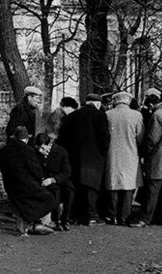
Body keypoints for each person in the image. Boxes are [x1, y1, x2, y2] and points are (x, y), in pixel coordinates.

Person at [57, 93, 109, 226]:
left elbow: (62, 137)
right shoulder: (100, 116)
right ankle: (91, 216)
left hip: (74, 157)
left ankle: (73, 216)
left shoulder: (72, 116)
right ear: (97, 104)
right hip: (94, 158)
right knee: (91, 187)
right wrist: (104, 153)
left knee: (75, 186)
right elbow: (104, 137)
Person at [0, 126, 57, 235]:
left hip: (10, 187)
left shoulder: (3, 150)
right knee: (50, 197)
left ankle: (34, 222)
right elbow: (37, 172)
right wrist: (40, 180)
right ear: (26, 139)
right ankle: (33, 222)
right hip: (25, 188)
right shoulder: (28, 150)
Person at [104, 91, 144, 226]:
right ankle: (125, 216)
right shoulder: (137, 115)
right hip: (130, 153)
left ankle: (112, 214)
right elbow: (140, 137)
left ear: (115, 101)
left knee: (113, 184)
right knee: (129, 185)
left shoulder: (108, 115)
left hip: (112, 153)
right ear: (128, 101)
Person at [141, 95, 162, 226]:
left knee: (153, 188)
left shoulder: (157, 115)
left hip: (157, 154)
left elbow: (152, 138)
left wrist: (146, 153)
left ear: (151, 104)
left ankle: (146, 218)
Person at [35, 132, 72, 229]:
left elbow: (66, 172)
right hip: (45, 180)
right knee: (55, 191)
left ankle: (66, 219)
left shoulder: (61, 152)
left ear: (50, 144)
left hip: (57, 179)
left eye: (43, 148)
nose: (41, 151)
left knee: (70, 189)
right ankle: (57, 220)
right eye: (39, 148)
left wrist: (53, 179)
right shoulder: (36, 153)